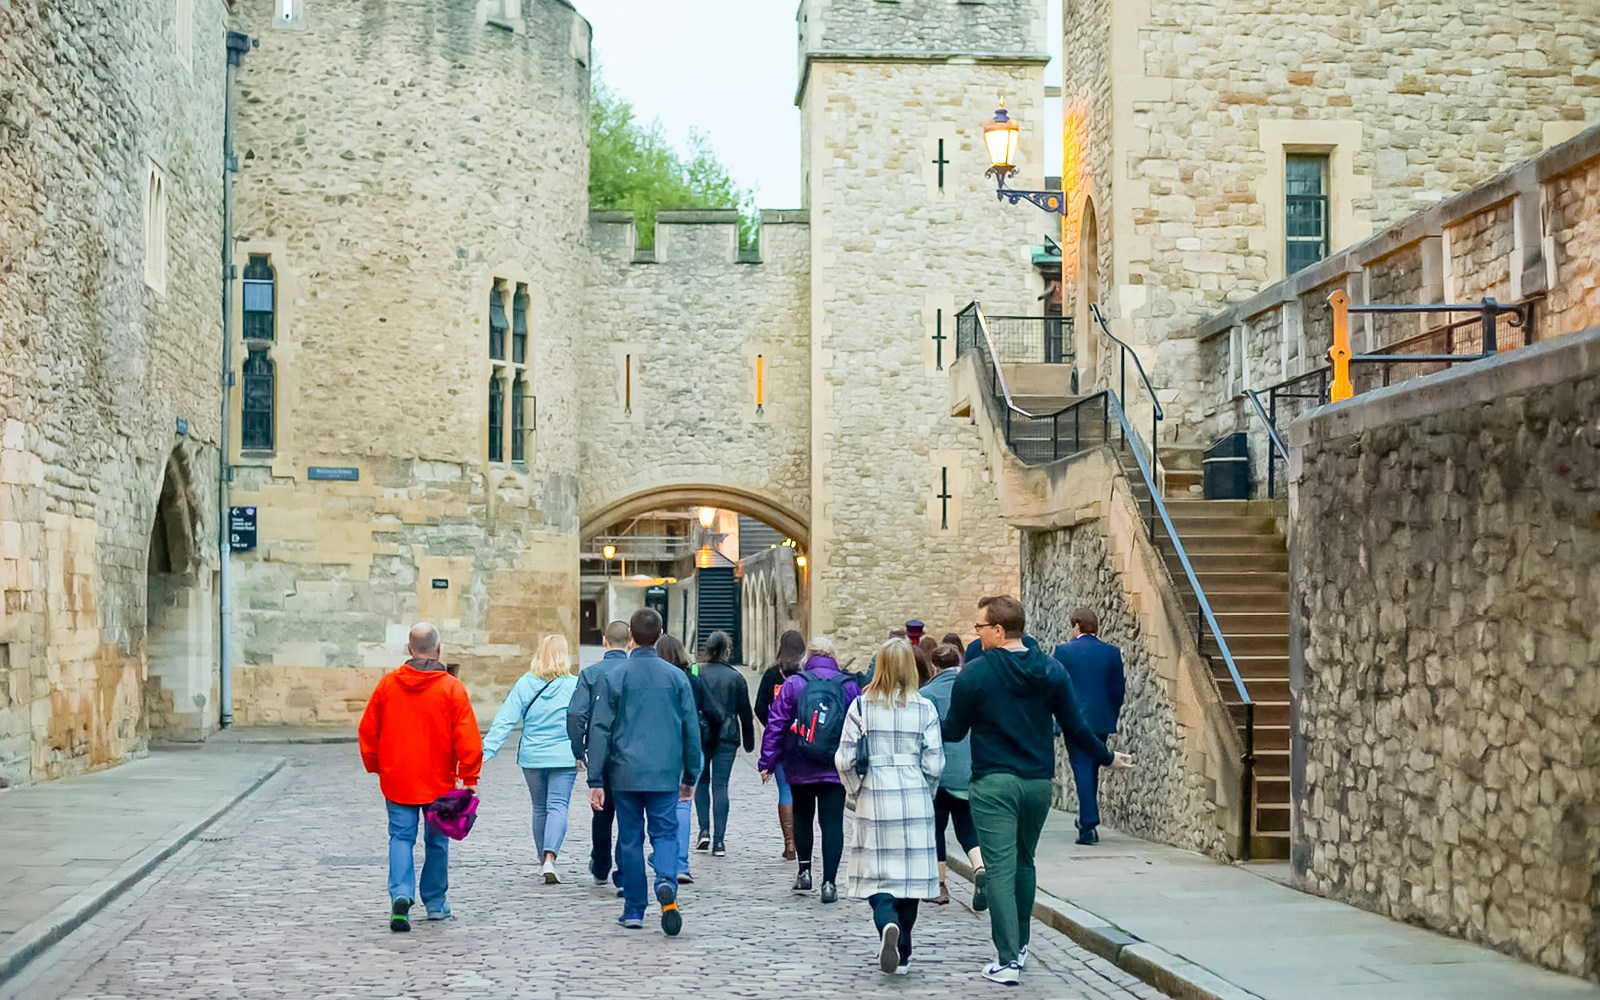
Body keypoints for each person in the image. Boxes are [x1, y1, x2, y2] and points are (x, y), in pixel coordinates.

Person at [944, 595, 1135, 986]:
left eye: (980, 627)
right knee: (1025, 862)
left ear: (998, 630)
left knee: (999, 868)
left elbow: (954, 730)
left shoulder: (974, 675)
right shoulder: (1050, 669)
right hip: (1036, 783)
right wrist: (1107, 757)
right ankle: (1023, 946)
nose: (976, 633)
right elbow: (1077, 727)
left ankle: (1007, 959)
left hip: (994, 781)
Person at [358, 622, 482, 932]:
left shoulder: (387, 685)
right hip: (439, 780)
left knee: (400, 838)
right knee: (437, 841)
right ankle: (436, 904)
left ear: (409, 649)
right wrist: (469, 775)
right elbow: (467, 736)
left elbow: (368, 731)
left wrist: (375, 764)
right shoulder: (452, 688)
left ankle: (401, 895)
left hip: (397, 777)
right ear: (438, 649)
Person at [586, 609, 702, 934]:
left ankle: (634, 908)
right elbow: (690, 731)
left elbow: (600, 729)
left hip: (625, 772)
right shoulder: (677, 678)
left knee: (630, 839)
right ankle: (666, 883)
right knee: (665, 833)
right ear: (661, 634)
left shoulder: (614, 677)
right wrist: (691, 774)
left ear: (632, 637)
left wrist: (596, 778)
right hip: (665, 771)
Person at [837, 639, 944, 975]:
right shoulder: (924, 708)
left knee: (877, 875)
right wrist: (926, 791)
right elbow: (936, 763)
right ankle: (905, 951)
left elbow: (844, 759)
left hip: (875, 795)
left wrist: (855, 791)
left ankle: (886, 924)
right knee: (909, 878)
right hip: (913, 794)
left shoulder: (861, 707)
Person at [759, 636, 860, 903]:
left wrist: (767, 761)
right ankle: (829, 882)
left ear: (809, 656)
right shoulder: (849, 686)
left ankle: (804, 871)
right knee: (832, 823)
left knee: (803, 817)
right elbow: (861, 726)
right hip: (835, 764)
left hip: (800, 761)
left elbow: (776, 723)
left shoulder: (795, 683)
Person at [482, 634, 581, 883]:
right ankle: (550, 859)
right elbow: (582, 722)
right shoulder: (574, 685)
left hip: (533, 756)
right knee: (557, 806)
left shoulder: (526, 683)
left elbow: (506, 718)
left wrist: (487, 750)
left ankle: (541, 860)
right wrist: (584, 752)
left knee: (539, 808)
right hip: (563, 756)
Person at [1052, 608, 1127, 846]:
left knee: (1082, 767)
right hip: (1101, 721)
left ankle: (1088, 824)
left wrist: (1058, 720)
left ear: (1076, 626)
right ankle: (1087, 818)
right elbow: (1118, 690)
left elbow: (1057, 688)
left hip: (1074, 721)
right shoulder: (1111, 652)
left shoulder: (1063, 652)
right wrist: (1110, 715)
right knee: (1092, 767)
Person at [918, 642, 983, 907]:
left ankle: (940, 886)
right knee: (967, 826)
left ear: (934, 665)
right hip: (968, 770)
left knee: (936, 829)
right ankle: (980, 869)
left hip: (939, 773)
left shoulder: (927, 694)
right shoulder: (973, 688)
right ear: (958, 661)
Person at [568, 620, 630, 888]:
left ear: (605, 640)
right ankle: (623, 866)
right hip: (630, 752)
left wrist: (578, 748)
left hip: (600, 751)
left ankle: (601, 863)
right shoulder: (633, 672)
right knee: (628, 813)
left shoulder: (591, 674)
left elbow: (575, 713)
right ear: (629, 642)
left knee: (602, 813)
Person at [658, 633, 721, 885]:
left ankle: (664, 858)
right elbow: (714, 713)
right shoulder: (692, 680)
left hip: (661, 750)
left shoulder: (657, 680)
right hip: (690, 748)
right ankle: (681, 863)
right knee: (683, 805)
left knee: (659, 807)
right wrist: (711, 744)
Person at [693, 630, 755, 856]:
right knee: (720, 786)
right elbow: (745, 713)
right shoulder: (736, 677)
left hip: (701, 733)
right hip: (727, 736)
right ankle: (719, 841)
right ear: (727, 650)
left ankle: (704, 831)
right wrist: (749, 741)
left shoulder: (696, 671)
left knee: (701, 783)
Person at [755, 629, 807, 860]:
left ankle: (790, 844)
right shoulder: (808, 675)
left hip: (781, 740)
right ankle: (804, 838)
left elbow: (758, 707)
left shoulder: (772, 675)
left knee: (785, 790)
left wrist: (772, 726)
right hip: (806, 738)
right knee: (803, 794)